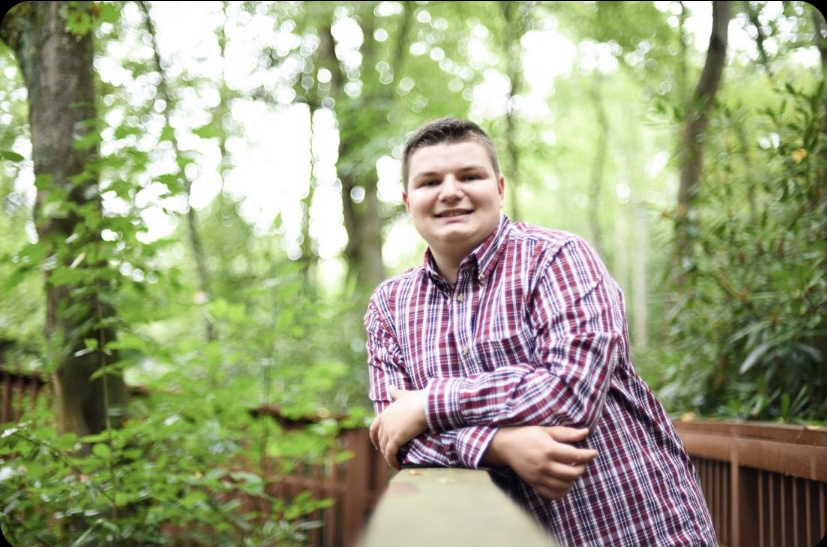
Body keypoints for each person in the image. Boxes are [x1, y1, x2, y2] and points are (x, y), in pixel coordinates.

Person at [363, 116, 718, 547]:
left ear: (499, 188)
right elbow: (396, 438)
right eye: (430, 181)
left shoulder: (558, 259)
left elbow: (567, 394)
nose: (450, 191)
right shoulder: (389, 305)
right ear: (407, 200)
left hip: (636, 525)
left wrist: (431, 404)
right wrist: (497, 444)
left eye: (470, 176)